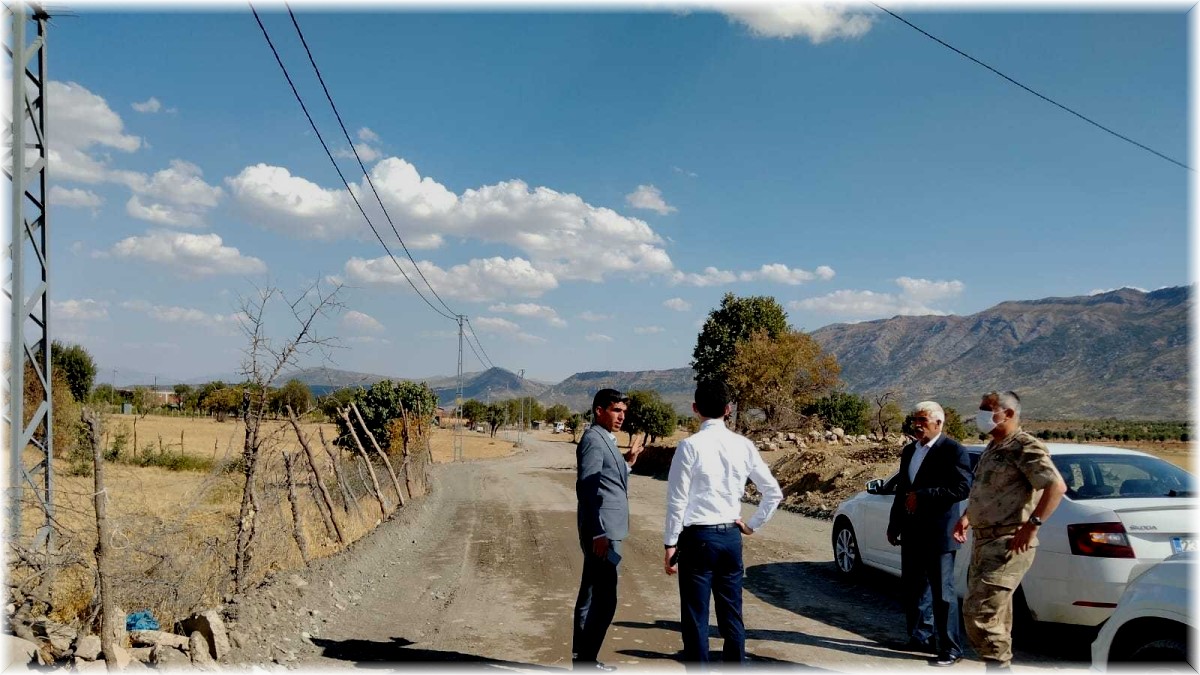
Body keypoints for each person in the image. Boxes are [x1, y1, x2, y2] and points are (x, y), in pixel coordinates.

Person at [662, 381, 783, 666]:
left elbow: (677, 500)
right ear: (728, 409)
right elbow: (773, 492)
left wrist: (670, 543)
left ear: (695, 409)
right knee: (732, 617)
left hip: (698, 538)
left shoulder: (689, 446)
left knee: (696, 618)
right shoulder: (744, 445)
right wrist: (752, 524)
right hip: (730, 537)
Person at [952, 391, 1067, 671]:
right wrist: (967, 517)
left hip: (1007, 542)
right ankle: (998, 667)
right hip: (984, 541)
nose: (980, 414)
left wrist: (1032, 526)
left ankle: (1000, 668)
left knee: (979, 613)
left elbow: (1056, 487)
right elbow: (988, 491)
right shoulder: (995, 446)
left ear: (1009, 413)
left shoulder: (1024, 446)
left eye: (986, 409)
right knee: (997, 616)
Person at [886, 401, 973, 667]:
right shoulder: (909, 451)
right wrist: (894, 523)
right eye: (914, 419)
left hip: (939, 533)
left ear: (939, 423)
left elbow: (962, 488)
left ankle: (951, 648)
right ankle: (920, 637)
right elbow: (902, 491)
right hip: (912, 532)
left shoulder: (953, 450)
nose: (917, 424)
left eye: (922, 419)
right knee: (914, 589)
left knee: (943, 594)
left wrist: (925, 496)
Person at [573, 389, 644, 670]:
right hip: (603, 533)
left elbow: (607, 479)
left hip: (606, 530)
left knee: (590, 594)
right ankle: (587, 661)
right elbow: (587, 489)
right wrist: (597, 533)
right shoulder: (593, 439)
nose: (621, 416)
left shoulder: (606, 439)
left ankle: (583, 660)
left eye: (623, 411)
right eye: (616, 410)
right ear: (599, 410)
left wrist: (627, 462)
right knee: (606, 598)